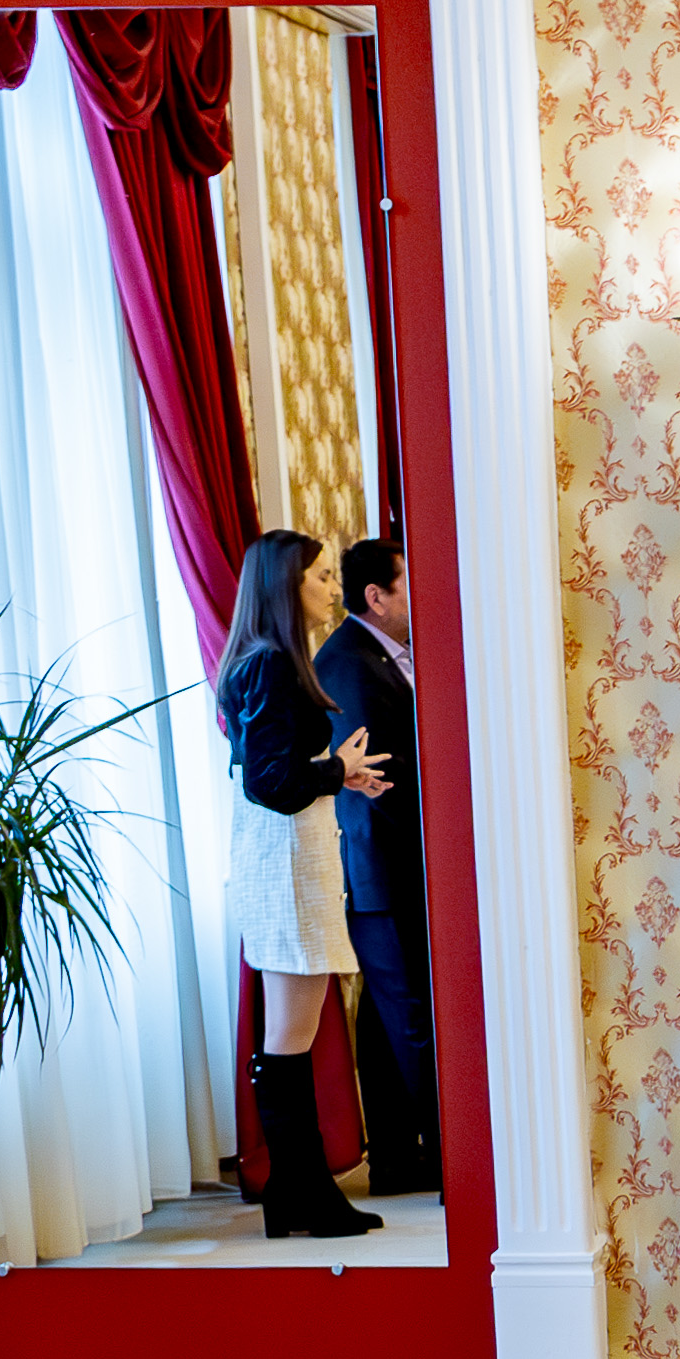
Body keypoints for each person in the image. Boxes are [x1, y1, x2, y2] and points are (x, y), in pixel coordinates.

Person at [216, 527, 390, 1242]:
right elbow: (272, 783)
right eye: (318, 577)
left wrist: (338, 772)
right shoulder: (270, 665)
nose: (330, 588)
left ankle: (295, 1191)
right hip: (286, 865)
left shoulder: (263, 661)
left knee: (292, 1032)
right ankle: (304, 1193)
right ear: (286, 587)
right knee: (291, 1033)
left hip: (285, 861)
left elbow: (276, 772)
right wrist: (338, 770)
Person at [316, 536, 439, 1193]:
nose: (419, 596)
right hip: (385, 869)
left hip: (393, 869)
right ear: (377, 596)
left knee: (384, 1014)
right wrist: (438, 856)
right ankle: (451, 1159)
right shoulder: (351, 664)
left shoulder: (384, 653)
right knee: (412, 1013)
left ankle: (393, 1156)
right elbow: (381, 784)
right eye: (408, 584)